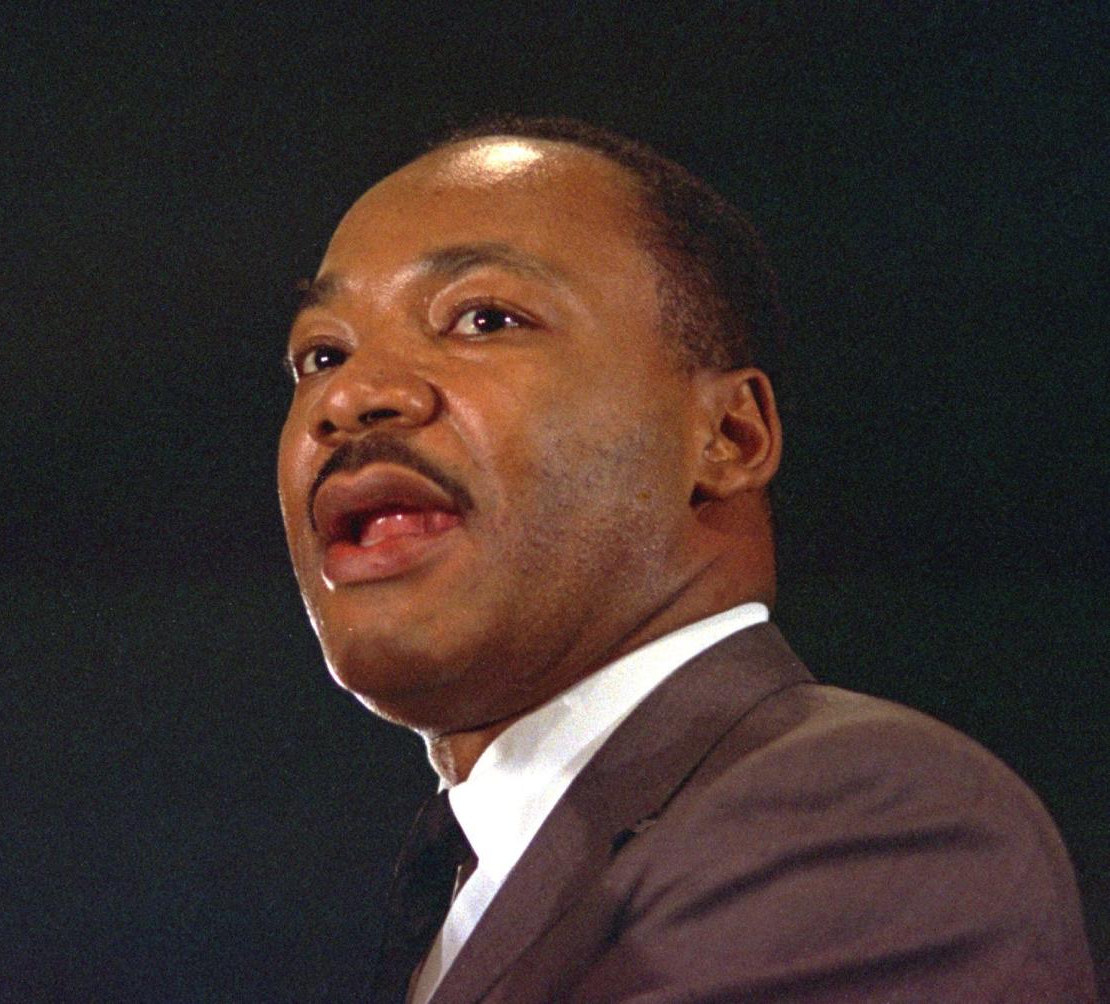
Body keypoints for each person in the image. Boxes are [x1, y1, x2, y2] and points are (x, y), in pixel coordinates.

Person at [275, 117, 1094, 1003]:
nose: (350, 397)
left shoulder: (856, 814)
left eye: (484, 319)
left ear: (729, 438)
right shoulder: (472, 893)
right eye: (322, 354)